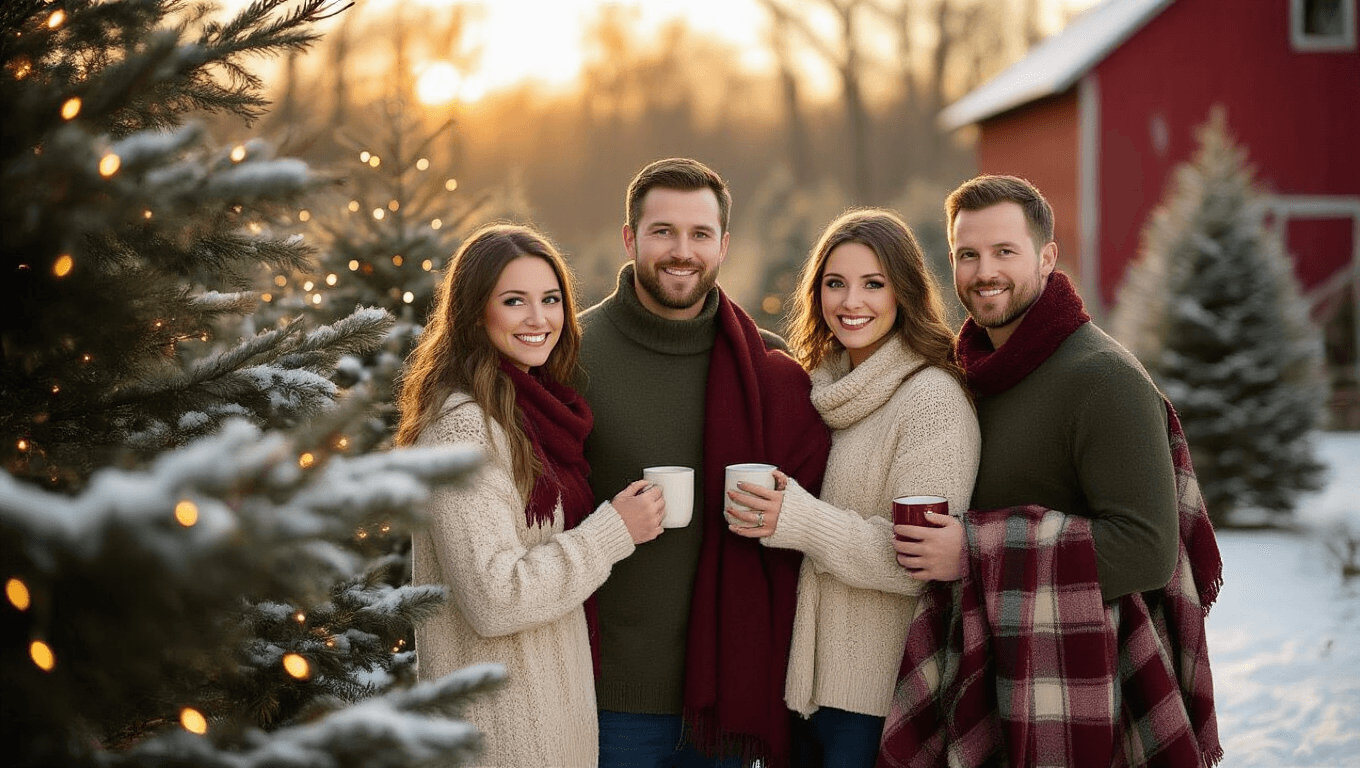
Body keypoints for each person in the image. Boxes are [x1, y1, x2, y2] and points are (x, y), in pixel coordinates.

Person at [878, 176, 1223, 767]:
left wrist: (976, 550)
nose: (985, 271)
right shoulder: (970, 372)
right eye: (968, 254)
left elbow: (1147, 549)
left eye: (1004, 252)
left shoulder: (1104, 380)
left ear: (1046, 258)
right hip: (983, 673)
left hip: (1078, 690)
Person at [577, 158, 833, 768]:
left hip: (732, 702)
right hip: (615, 700)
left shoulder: (765, 369)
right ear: (629, 237)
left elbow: (823, 504)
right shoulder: (575, 355)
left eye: (698, 235)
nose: (680, 252)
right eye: (662, 231)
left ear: (723, 244)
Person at [400, 224, 667, 767]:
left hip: (551, 724)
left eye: (550, 300)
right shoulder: (464, 429)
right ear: (475, 313)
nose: (538, 319)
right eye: (514, 301)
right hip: (500, 736)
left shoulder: (531, 414)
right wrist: (614, 531)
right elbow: (494, 600)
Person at [722, 209, 979, 768]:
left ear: (904, 292)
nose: (850, 302)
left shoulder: (930, 400)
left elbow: (913, 558)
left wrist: (797, 519)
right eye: (835, 284)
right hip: (803, 691)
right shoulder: (824, 389)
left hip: (875, 701)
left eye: (873, 284)